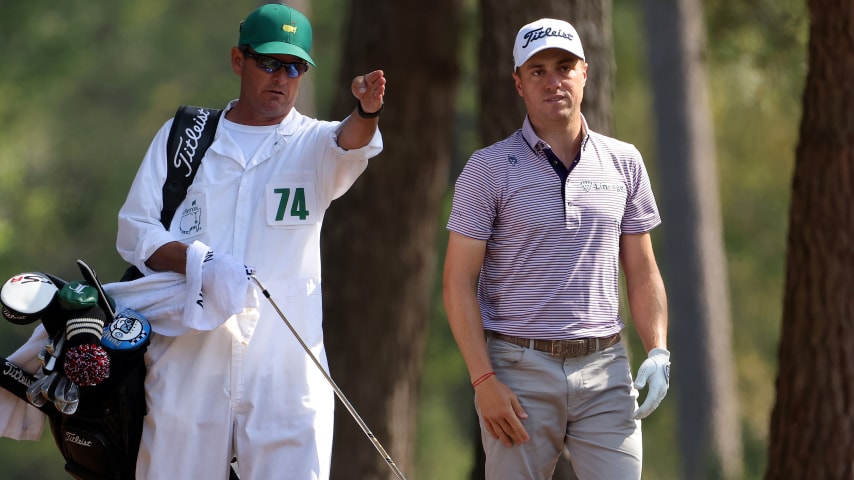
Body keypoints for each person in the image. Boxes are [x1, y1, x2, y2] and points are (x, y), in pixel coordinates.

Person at [115, 4, 385, 479]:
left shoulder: (315, 144)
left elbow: (353, 141)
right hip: (189, 360)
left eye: (295, 67)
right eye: (269, 63)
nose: (281, 77)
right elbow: (136, 231)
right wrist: (199, 262)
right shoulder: (186, 136)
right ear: (239, 60)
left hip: (286, 371)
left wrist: (368, 109)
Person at [442, 17, 670, 479]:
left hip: (606, 371)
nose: (553, 81)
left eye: (564, 66)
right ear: (518, 84)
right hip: (518, 372)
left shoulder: (624, 162)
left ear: (585, 73)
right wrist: (484, 380)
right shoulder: (487, 169)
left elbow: (642, 269)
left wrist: (658, 351)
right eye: (537, 71)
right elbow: (457, 282)